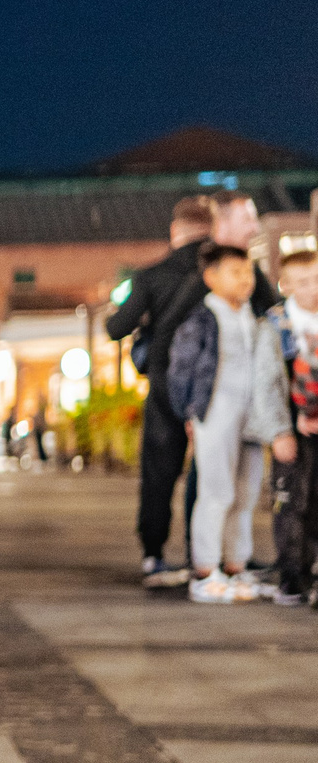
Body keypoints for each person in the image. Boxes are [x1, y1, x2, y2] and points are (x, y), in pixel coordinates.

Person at [165, 244, 290, 603]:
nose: (245, 280)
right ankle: (205, 569)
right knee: (216, 490)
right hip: (215, 411)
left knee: (247, 492)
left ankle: (236, 566)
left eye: (249, 272)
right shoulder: (201, 317)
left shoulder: (256, 316)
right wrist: (189, 413)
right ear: (211, 277)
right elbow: (180, 370)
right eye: (235, 272)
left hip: (253, 416)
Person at [107, 196, 220, 586]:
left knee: (159, 471)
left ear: (176, 231)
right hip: (214, 380)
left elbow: (115, 328)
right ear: (211, 230)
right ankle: (202, 553)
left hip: (165, 380)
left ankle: (153, 554)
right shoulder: (224, 270)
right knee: (211, 471)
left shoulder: (151, 275)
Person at [264, 248, 318, 607]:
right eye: (303, 282)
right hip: (292, 427)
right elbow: (267, 382)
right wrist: (279, 430)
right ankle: (292, 575)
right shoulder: (274, 324)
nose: (313, 288)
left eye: (317, 280)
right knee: (291, 501)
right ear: (286, 285)